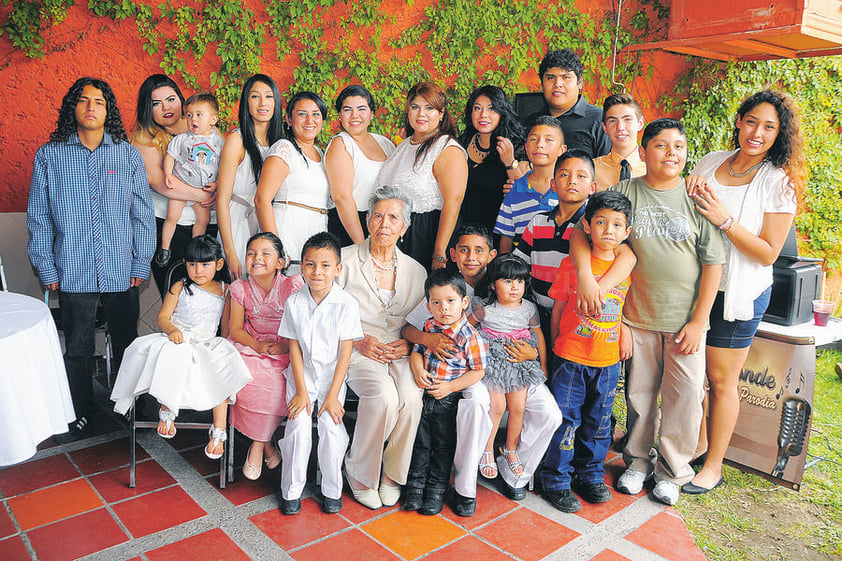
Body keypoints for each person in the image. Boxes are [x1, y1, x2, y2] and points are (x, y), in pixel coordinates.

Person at [569, 118, 725, 506]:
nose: (671, 153)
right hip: (636, 317)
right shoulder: (625, 192)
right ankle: (637, 461)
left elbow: (713, 264)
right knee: (639, 396)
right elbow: (581, 229)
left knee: (685, 398)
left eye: (678, 146)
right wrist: (587, 278)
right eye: (660, 145)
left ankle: (672, 470)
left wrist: (699, 321)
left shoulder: (697, 198)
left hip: (684, 322)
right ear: (642, 152)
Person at [682, 90, 804, 495]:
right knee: (692, 376)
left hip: (739, 292)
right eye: (752, 121)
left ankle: (713, 465)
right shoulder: (711, 161)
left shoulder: (778, 182)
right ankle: (695, 446)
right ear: (738, 120)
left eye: (769, 127)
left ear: (779, 134)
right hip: (697, 286)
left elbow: (769, 252)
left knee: (720, 380)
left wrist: (724, 220)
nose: (757, 132)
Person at [27, 77, 156, 435]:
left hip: (120, 267)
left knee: (128, 343)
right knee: (78, 346)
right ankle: (80, 409)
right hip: (72, 268)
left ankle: (131, 405)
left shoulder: (126, 154)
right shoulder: (49, 156)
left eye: (98, 102)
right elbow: (38, 217)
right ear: (73, 108)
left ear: (108, 110)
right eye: (83, 101)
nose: (90, 107)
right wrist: (46, 265)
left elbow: (142, 214)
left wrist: (139, 260)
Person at [111, 236, 251, 458]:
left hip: (206, 341)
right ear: (185, 263)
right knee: (174, 354)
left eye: (206, 264)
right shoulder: (180, 286)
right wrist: (172, 330)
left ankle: (218, 431)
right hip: (178, 337)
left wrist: (221, 345)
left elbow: (224, 327)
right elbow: (163, 317)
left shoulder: (226, 291)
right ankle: (168, 408)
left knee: (221, 371)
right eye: (192, 264)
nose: (198, 271)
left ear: (219, 264)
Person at [539, 191, 633, 513]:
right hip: (571, 357)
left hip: (607, 363)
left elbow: (624, 309)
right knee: (566, 421)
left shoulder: (625, 269)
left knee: (599, 422)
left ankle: (589, 475)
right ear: (588, 227)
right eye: (601, 222)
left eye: (616, 224)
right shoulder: (572, 265)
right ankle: (556, 479)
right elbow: (558, 308)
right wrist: (555, 350)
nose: (608, 229)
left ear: (626, 233)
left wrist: (625, 331)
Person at [337, 186, 427, 510]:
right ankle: (360, 473)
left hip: (398, 351)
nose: (384, 224)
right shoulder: (344, 261)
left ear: (405, 227)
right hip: (358, 349)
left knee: (412, 398)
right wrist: (358, 340)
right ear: (368, 219)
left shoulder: (417, 271)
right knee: (385, 398)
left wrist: (408, 341)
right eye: (378, 216)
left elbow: (419, 323)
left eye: (393, 218)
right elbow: (326, 314)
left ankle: (391, 475)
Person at [402, 223, 497, 517]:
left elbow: (480, 366)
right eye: (464, 250)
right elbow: (410, 330)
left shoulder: (498, 283)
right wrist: (427, 340)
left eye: (479, 250)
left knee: (476, 404)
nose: (471, 257)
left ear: (490, 255)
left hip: (474, 370)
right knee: (423, 438)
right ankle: (416, 488)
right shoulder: (442, 289)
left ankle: (464, 486)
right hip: (439, 372)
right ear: (453, 254)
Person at [278, 233, 364, 515]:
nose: (318, 272)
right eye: (311, 264)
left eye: (326, 265)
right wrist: (302, 391)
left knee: (330, 426)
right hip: (301, 375)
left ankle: (331, 489)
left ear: (338, 269)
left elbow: (345, 354)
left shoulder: (346, 304)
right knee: (298, 426)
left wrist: (331, 396)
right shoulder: (294, 303)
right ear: (301, 267)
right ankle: (291, 491)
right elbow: (293, 348)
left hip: (332, 379)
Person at [130, 74, 217, 297]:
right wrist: (203, 196)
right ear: (147, 108)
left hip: (207, 224)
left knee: (210, 296)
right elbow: (159, 181)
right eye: (156, 103)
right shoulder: (143, 138)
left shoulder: (205, 129)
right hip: (169, 225)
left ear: (181, 99)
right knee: (178, 295)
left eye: (171, 99)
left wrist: (219, 190)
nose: (165, 107)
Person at [228, 232, 304, 480]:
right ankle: (267, 442)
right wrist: (257, 347)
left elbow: (302, 327)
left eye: (265, 254)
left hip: (285, 345)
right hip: (250, 344)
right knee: (245, 378)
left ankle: (257, 446)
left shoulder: (292, 285)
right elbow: (235, 329)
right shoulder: (239, 288)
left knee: (276, 382)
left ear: (281, 262)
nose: (256, 258)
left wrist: (283, 347)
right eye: (251, 253)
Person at [469, 254, 547, 482]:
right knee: (497, 406)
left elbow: (539, 335)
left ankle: (510, 449)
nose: (515, 288)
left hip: (518, 361)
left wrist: (543, 365)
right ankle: (487, 449)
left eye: (520, 282)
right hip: (493, 361)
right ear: (493, 285)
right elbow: (466, 327)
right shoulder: (485, 308)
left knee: (518, 407)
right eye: (508, 281)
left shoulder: (529, 308)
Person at [375, 81, 468, 271]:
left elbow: (453, 202)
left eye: (429, 108)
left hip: (426, 236)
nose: (421, 114)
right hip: (396, 234)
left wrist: (439, 253)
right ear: (408, 111)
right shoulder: (404, 145)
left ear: (441, 113)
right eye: (415, 107)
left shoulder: (447, 148)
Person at [514, 150, 596, 339]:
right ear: (553, 184)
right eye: (564, 174)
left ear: (592, 187)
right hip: (538, 314)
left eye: (581, 176)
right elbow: (519, 263)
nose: (572, 181)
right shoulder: (538, 222)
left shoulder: (592, 227)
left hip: (575, 315)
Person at [217, 74, 285, 279]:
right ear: (246, 102)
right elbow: (222, 200)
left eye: (269, 96)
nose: (263, 103)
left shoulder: (281, 143)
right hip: (238, 223)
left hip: (269, 223)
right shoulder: (237, 140)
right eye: (255, 96)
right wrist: (229, 252)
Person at [255, 91, 330, 273]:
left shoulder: (321, 153)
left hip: (315, 233)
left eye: (316, 114)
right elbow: (261, 200)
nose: (310, 120)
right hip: (288, 231)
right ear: (289, 120)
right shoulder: (284, 148)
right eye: (302, 114)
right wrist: (276, 249)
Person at [157, 92, 224, 267]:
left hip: (203, 189)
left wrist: (217, 185)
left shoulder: (219, 141)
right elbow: (170, 157)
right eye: (189, 115)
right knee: (172, 216)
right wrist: (168, 175)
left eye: (199, 115)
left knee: (203, 220)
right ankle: (164, 249)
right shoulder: (182, 139)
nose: (193, 119)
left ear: (213, 119)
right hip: (182, 185)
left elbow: (224, 165)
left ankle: (197, 249)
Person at [325, 85, 395, 246]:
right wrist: (362, 243)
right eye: (347, 110)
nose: (354, 116)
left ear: (371, 114)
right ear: (340, 115)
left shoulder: (385, 143)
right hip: (351, 225)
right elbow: (341, 198)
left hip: (381, 222)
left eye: (361, 109)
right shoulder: (341, 144)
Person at [458, 85, 527, 237]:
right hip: (462, 232)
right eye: (477, 108)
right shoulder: (462, 142)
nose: (483, 115)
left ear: (502, 113)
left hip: (498, 233)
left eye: (491, 109)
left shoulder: (516, 146)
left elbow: (523, 196)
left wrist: (510, 162)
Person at [494, 116, 566, 253]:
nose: (540, 144)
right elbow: (506, 239)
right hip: (522, 271)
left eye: (548, 140)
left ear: (562, 150)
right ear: (526, 147)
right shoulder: (514, 190)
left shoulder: (570, 188)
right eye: (534, 139)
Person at [525, 49, 610, 159]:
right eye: (550, 78)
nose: (557, 84)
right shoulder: (532, 122)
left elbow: (610, 169)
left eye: (566, 77)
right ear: (542, 83)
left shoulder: (599, 120)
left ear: (579, 82)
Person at [593, 93, 646, 191]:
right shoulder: (592, 170)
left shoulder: (653, 169)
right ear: (605, 127)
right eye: (613, 121)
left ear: (640, 123)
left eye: (627, 119)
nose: (620, 127)